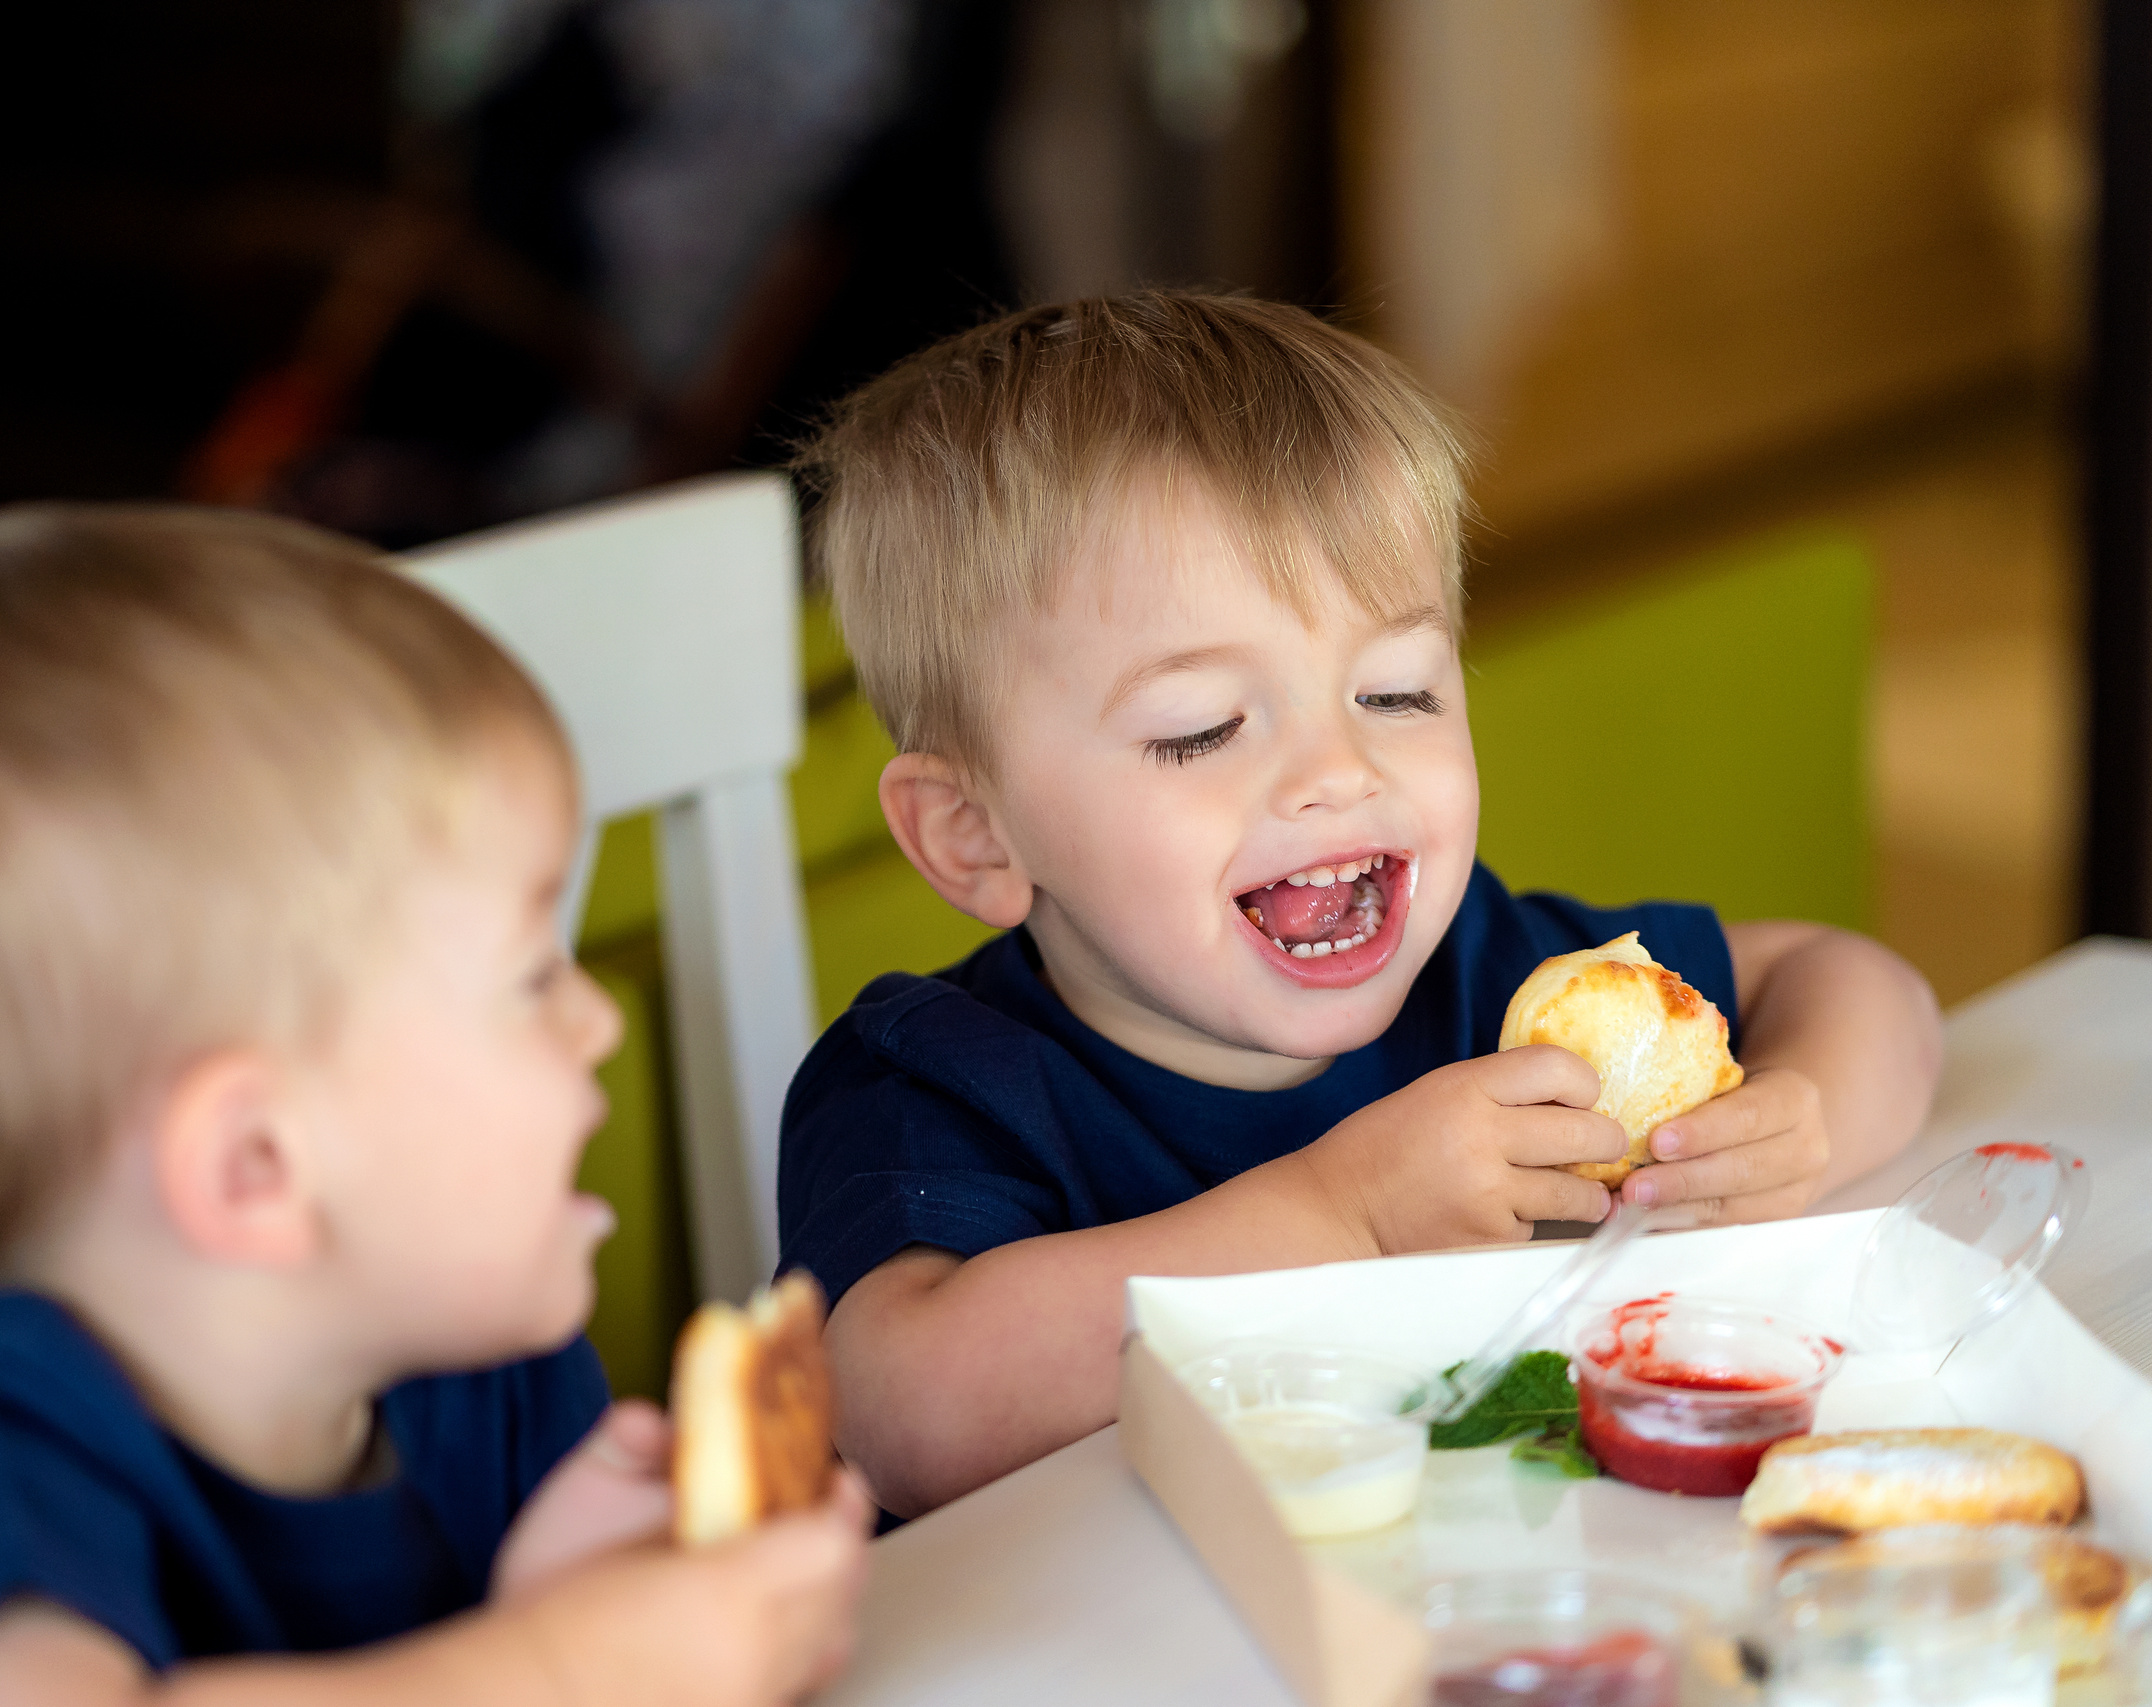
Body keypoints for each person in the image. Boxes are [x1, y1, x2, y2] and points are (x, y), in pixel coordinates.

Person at [780, 290, 1944, 1520]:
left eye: (1394, 694)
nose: (1339, 772)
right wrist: (1348, 1213)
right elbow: (908, 1417)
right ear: (975, 836)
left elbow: (1862, 988)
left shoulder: (1488, 977)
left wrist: (1793, 1116)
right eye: (1202, 729)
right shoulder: (932, 1091)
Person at [0, 506, 868, 1707]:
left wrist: (580, 1601)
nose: (602, 1021)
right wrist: (570, 1663)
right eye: (533, 978)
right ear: (257, 1165)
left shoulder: (481, 1371)